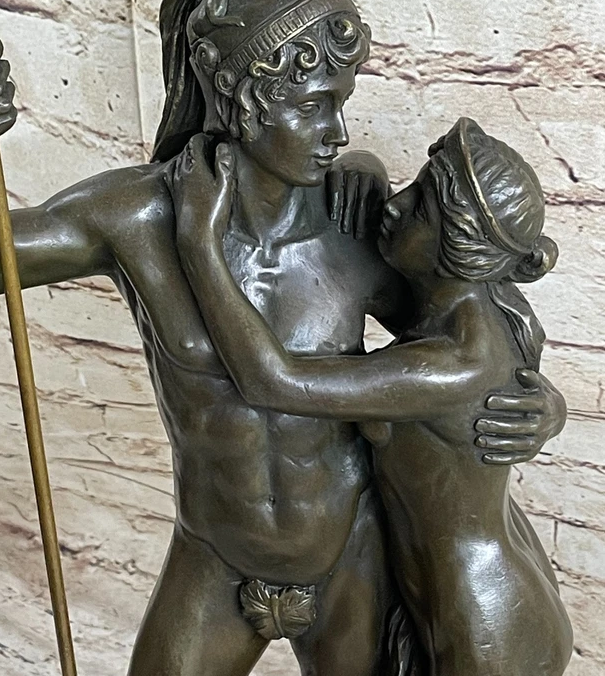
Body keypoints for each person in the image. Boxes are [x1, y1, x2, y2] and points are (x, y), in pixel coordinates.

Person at [0, 0, 565, 676]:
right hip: (216, 557)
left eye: (341, 104)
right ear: (238, 95)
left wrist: (539, 403)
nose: (338, 133)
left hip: (349, 558)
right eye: (314, 106)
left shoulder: (356, 213)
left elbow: (463, 333)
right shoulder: (136, 218)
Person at [167, 119, 573, 676]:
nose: (396, 205)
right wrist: (366, 169)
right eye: (414, 186)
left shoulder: (455, 363)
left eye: (421, 208)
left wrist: (199, 245)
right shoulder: (476, 309)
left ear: (459, 249)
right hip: (476, 578)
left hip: (480, 618)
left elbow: (273, 382)